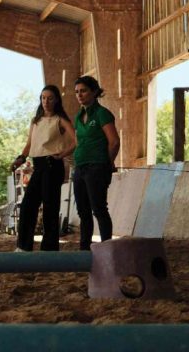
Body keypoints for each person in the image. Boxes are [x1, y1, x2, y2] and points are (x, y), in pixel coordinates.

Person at [11, 85, 76, 252]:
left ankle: (49, 248)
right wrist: (20, 159)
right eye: (43, 98)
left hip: (53, 164)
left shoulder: (60, 120)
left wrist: (63, 154)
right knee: (27, 205)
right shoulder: (35, 121)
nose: (46, 101)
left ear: (56, 100)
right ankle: (23, 246)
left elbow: (77, 140)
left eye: (50, 98)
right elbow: (29, 145)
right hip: (38, 166)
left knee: (50, 207)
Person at [72, 75, 119, 250]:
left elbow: (114, 141)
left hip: (97, 166)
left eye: (83, 91)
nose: (80, 95)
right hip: (80, 167)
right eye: (77, 92)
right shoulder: (78, 116)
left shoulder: (102, 114)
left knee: (98, 208)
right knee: (83, 211)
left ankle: (106, 246)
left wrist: (107, 163)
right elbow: (78, 141)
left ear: (94, 92)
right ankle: (85, 248)